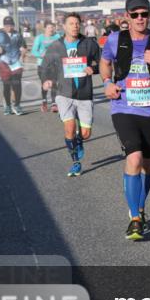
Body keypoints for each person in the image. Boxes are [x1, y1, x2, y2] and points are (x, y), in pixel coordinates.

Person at [99, 0, 150, 241]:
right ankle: (135, 218)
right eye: (134, 14)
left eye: (144, 14)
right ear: (127, 16)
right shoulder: (115, 40)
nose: (140, 18)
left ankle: (141, 205)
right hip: (123, 108)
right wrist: (106, 83)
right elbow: (105, 63)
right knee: (133, 158)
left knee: (148, 163)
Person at [41, 13, 101, 177]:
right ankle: (75, 163)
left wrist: (93, 69)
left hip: (84, 92)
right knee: (69, 128)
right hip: (64, 93)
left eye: (77, 23)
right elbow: (45, 67)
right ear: (64, 27)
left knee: (85, 134)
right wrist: (46, 80)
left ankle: (79, 140)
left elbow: (103, 62)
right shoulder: (56, 46)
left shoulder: (89, 44)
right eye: (71, 23)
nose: (75, 26)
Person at [0, 16, 27, 115]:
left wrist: (23, 50)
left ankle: (17, 105)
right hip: (3, 62)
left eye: (11, 25)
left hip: (15, 62)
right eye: (7, 25)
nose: (9, 27)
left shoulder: (18, 35)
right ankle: (7, 106)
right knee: (7, 86)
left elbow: (23, 46)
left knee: (17, 84)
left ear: (13, 25)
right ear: (3, 25)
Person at [32, 21, 62, 113]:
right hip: (42, 65)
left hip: (54, 65)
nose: (51, 29)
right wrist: (42, 55)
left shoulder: (57, 37)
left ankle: (54, 103)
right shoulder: (40, 38)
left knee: (54, 83)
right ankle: (44, 101)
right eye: (49, 27)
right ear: (45, 28)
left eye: (52, 27)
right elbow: (34, 51)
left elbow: (62, 47)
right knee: (45, 84)